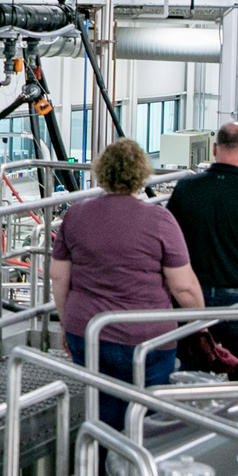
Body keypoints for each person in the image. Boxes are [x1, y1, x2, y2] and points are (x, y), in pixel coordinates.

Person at [51, 137, 203, 429]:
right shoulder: (160, 219)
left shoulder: (76, 214)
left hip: (89, 332)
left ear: (103, 171)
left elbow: (59, 276)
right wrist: (201, 324)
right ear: (140, 174)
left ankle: (100, 471)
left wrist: (66, 323)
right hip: (148, 338)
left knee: (101, 418)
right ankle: (137, 472)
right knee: (147, 423)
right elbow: (183, 286)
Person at [165, 121, 238, 375]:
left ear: (215, 148)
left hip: (192, 298)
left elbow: (168, 245)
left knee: (193, 371)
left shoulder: (185, 190)